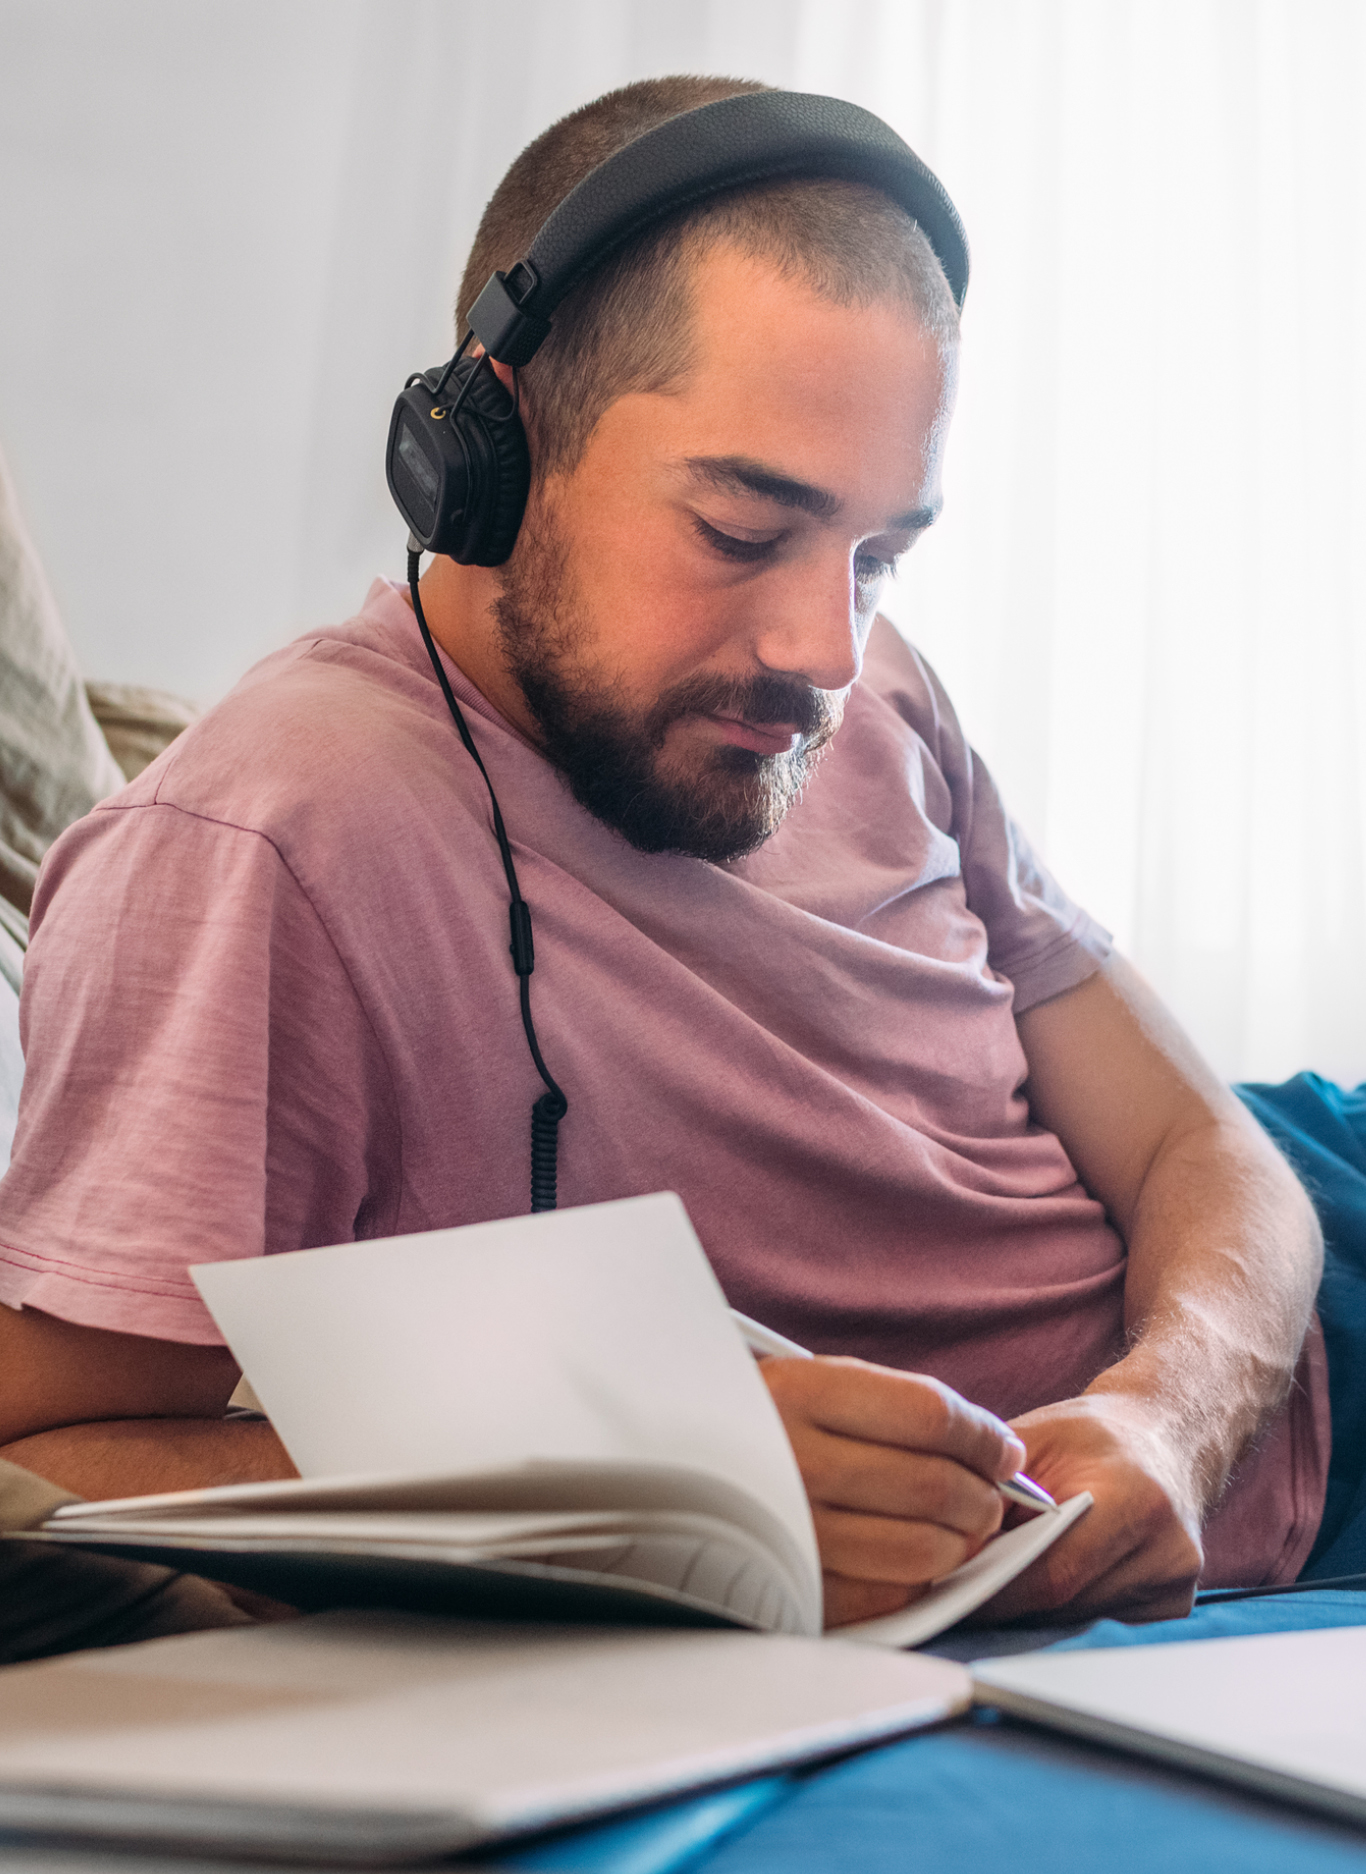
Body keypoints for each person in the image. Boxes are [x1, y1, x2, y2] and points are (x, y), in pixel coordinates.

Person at [0, 76, 1327, 1631]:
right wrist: (643, 1479)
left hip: (1285, 1291)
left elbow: (1215, 1152)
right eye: (741, 527)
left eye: (880, 553)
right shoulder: (264, 842)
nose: (825, 647)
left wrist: (1172, 1421)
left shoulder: (874, 689)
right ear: (488, 448)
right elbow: (43, 1464)